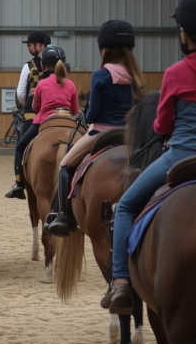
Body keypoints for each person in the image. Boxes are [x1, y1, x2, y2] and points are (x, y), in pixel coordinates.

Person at [107, 0, 196, 315]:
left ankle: (122, 282)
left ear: (185, 33)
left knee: (125, 206)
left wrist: (171, 132)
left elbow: (162, 125)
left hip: (181, 158)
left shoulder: (176, 73)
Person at [44, 20, 144, 235]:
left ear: (104, 49)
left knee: (65, 165)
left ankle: (62, 215)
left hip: (100, 133)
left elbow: (93, 114)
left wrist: (86, 114)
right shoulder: (134, 76)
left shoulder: (100, 75)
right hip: (129, 134)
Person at [4, 46, 78, 199]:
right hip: (67, 121)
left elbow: (35, 107)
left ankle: (19, 184)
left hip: (44, 120)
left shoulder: (41, 84)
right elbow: (75, 111)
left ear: (44, 66)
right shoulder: (71, 84)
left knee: (20, 147)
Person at [15, 31, 51, 139]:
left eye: (30, 44)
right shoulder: (56, 66)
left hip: (33, 117)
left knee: (21, 146)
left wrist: (28, 103)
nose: (28, 47)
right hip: (53, 115)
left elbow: (20, 94)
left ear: (40, 45)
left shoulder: (28, 67)